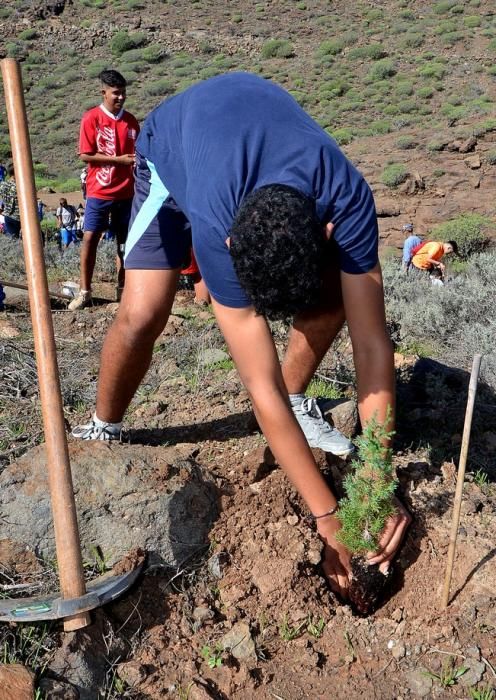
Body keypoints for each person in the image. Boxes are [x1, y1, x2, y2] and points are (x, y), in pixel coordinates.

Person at [71, 73, 410, 600]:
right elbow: (260, 386)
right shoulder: (216, 230)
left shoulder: (347, 200)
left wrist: (376, 476)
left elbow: (372, 344)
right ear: (229, 247)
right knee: (143, 312)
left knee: (335, 299)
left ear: (324, 232)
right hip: (172, 152)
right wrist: (327, 517)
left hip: (247, 138)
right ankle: (103, 426)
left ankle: (301, 404)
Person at [68, 69, 139, 310]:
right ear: (104, 93)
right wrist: (119, 160)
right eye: (116, 93)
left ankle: (124, 291)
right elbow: (85, 155)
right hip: (99, 190)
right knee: (90, 238)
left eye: (123, 93)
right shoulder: (91, 118)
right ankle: (85, 291)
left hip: (127, 192)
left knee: (125, 242)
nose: (120, 98)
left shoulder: (130, 120)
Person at [0, 164, 21, 239]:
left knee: (14, 240)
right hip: (18, 217)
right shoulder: (18, 186)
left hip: (7, 216)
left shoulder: (3, 185)